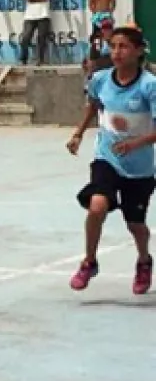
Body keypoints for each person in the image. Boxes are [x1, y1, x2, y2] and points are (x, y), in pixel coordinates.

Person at [66, 26, 155, 295]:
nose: (116, 52)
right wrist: (78, 134)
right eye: (113, 46)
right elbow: (92, 105)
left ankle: (143, 260)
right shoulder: (101, 79)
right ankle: (89, 261)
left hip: (139, 167)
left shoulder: (149, 86)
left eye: (124, 47)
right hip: (107, 157)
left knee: (136, 225)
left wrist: (135, 143)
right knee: (97, 206)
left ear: (138, 51)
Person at [18, 0, 52, 66]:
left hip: (43, 15)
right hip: (29, 16)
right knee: (25, 38)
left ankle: (40, 60)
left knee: (41, 39)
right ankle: (24, 59)